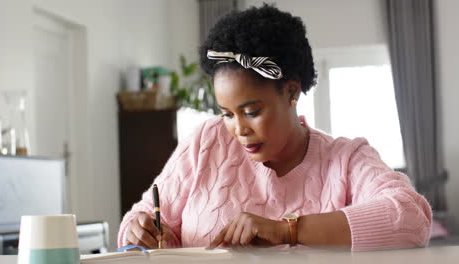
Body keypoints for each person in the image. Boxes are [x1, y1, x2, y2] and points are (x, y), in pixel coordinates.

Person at [118, 4, 432, 251]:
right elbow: (144, 222)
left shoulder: (346, 160)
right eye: (227, 113)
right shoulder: (206, 141)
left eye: (251, 111)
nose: (239, 129)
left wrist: (287, 230)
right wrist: (138, 229)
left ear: (292, 92)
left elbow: (411, 218)